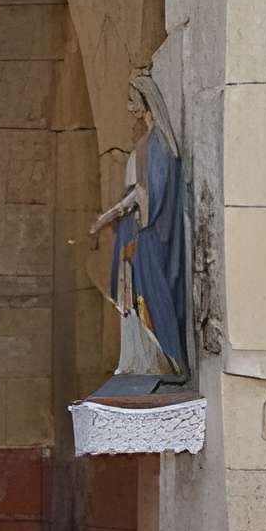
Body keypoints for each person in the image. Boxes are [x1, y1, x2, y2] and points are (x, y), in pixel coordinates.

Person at [89, 68, 189, 392]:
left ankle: (167, 359)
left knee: (152, 293)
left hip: (146, 234)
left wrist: (109, 217)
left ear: (146, 101)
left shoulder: (155, 143)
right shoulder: (148, 143)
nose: (130, 107)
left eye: (133, 99)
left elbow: (146, 194)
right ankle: (146, 360)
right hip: (135, 231)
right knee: (134, 297)